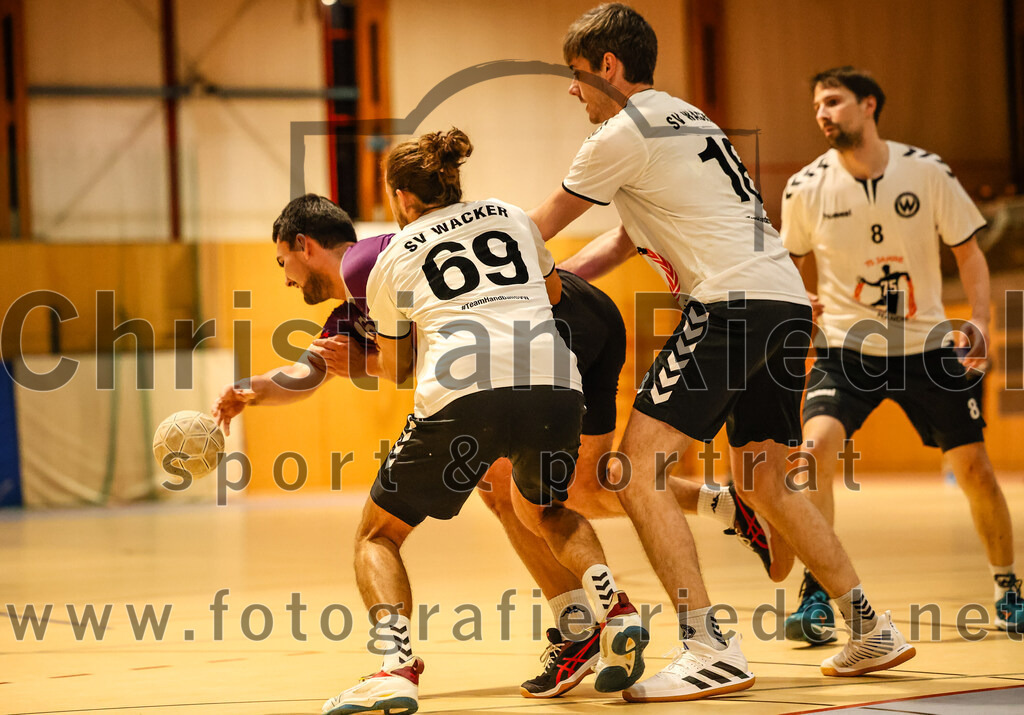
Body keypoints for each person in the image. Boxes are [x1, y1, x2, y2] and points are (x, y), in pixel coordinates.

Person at [527, 4, 916, 701]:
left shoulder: (620, 131)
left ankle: (709, 644)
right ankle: (870, 625)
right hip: (784, 305)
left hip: (731, 307)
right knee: (768, 480)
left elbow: (536, 228)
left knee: (633, 469)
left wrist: (474, 269)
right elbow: (620, 240)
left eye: (577, 74)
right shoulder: (686, 117)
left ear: (608, 68)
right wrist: (556, 284)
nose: (571, 89)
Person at [221, 130, 652, 714]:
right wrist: (250, 391)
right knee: (523, 500)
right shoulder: (367, 292)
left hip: (516, 360)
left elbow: (394, 366)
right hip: (551, 374)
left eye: (284, 265)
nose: (287, 282)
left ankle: (396, 668)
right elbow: (312, 371)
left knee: (380, 534)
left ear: (304, 244)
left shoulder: (381, 259)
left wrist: (370, 365)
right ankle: (600, 614)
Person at [780, 66, 1021, 639]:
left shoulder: (927, 172)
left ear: (869, 105)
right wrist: (797, 297)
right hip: (845, 349)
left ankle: (1009, 589)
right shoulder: (804, 187)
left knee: (976, 470)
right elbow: (786, 264)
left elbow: (969, 253)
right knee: (814, 454)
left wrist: (980, 321)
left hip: (927, 349)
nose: (822, 113)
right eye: (817, 104)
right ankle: (816, 597)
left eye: (833, 101)